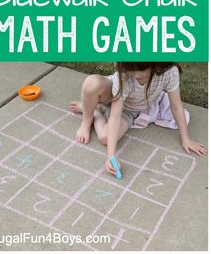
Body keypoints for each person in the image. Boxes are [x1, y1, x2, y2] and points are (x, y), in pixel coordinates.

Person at [70, 62, 207, 177]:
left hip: (131, 109)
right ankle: (87, 120)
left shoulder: (169, 72)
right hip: (112, 94)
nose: (136, 75)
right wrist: (111, 156)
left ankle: (96, 112)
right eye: (131, 70)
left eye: (141, 70)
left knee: (105, 138)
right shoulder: (124, 75)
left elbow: (176, 107)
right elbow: (115, 116)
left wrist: (186, 139)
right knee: (91, 83)